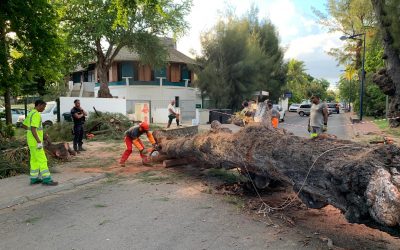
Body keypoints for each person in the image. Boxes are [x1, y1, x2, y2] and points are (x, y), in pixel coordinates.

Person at [23, 100, 58, 186]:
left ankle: (34, 178)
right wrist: (39, 141)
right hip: (36, 142)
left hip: (31, 142)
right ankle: (47, 179)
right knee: (42, 160)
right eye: (43, 106)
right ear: (39, 105)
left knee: (34, 160)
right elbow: (34, 129)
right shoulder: (36, 115)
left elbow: (24, 125)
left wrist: (32, 132)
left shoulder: (31, 113)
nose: (44, 108)